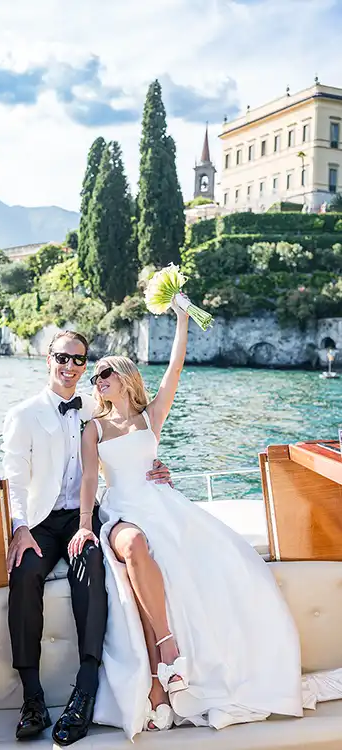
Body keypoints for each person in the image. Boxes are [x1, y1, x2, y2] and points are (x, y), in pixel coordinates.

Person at [68, 298, 303, 740]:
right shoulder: (93, 428)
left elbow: (176, 367)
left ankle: (161, 680)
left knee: (218, 562)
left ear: (126, 379)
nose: (97, 381)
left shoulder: (149, 417)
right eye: (95, 375)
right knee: (135, 547)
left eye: (105, 374)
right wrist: (84, 524)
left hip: (162, 505)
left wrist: (180, 319)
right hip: (120, 510)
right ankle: (167, 646)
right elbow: (87, 480)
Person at [2, 330, 173, 746]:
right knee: (23, 575)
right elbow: (13, 480)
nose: (71, 366)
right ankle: (33, 698)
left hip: (85, 517)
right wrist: (20, 527)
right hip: (41, 522)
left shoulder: (95, 412)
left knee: (93, 569)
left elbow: (129, 440)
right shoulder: (23, 414)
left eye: (79, 360)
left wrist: (155, 467)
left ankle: (86, 689)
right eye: (63, 357)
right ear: (49, 359)